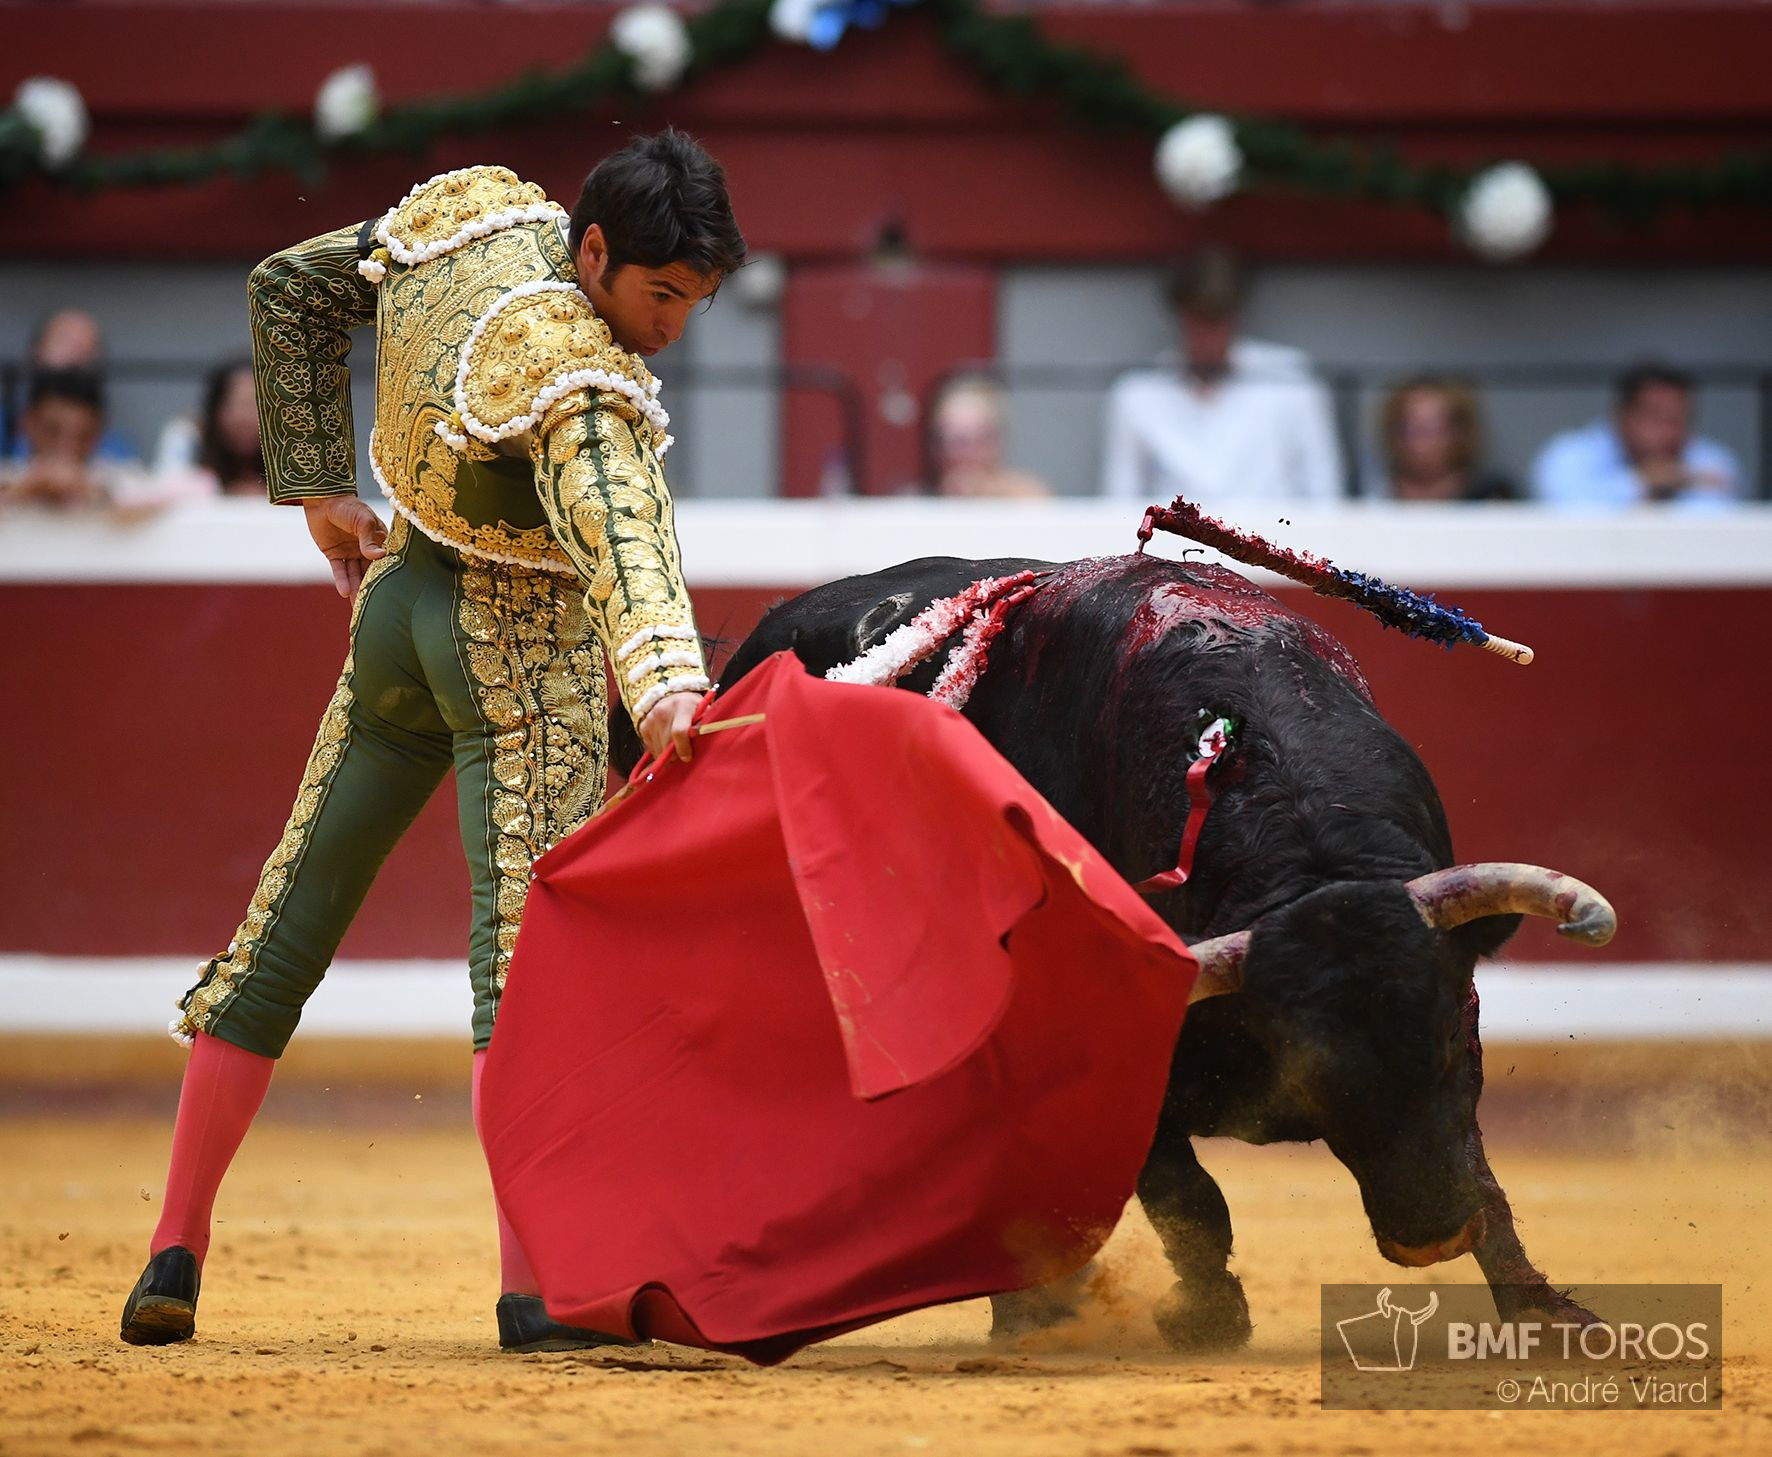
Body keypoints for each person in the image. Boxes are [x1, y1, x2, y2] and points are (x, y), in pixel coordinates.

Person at [118, 131, 747, 1353]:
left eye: (697, 303)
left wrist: (316, 485)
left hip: (398, 610)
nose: (672, 328)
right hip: (519, 652)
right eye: (660, 295)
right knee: (524, 971)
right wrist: (669, 688)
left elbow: (287, 289)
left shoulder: (469, 224)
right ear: (596, 251)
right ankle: (534, 1288)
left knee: (282, 925)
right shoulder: (581, 381)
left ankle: (173, 1248)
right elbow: (621, 534)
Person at [1101, 248, 1342, 507]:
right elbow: (1119, 506)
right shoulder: (1138, 395)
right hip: (1172, 544)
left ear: (1236, 314)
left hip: (1270, 542)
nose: (1207, 334)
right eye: (1197, 319)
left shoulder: (1291, 384)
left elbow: (1325, 498)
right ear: (1179, 316)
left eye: (1217, 318)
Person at [1531, 363, 1743, 510]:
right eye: (1655, 418)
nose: (1669, 432)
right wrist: (1641, 483)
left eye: (1678, 420)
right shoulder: (1568, 455)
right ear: (1621, 418)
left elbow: (1710, 522)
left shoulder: (1713, 461)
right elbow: (1569, 513)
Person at [2, 309, 137, 462]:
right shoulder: (6, 429)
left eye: (88, 348)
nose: (75, 356)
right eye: (65, 342)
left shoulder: (115, 447)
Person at [1369, 376, 1516, 502]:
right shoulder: (1374, 496)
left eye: (1433, 428)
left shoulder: (1491, 497)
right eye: (1412, 428)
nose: (1422, 440)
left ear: (1461, 432)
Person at [0, 368, 120, 508]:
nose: (67, 447)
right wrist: (24, 491)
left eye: (83, 436)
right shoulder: (6, 477)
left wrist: (93, 494)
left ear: (99, 431)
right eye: (52, 432)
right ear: (27, 423)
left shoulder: (120, 482)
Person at [151, 359, 269, 498]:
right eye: (235, 404)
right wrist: (219, 492)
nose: (244, 417)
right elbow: (164, 486)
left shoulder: (292, 446)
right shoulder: (189, 434)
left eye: (253, 405)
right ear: (215, 408)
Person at [927, 376, 1050, 499]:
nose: (965, 453)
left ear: (997, 442)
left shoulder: (1026, 498)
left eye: (977, 441)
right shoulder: (919, 505)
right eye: (955, 441)